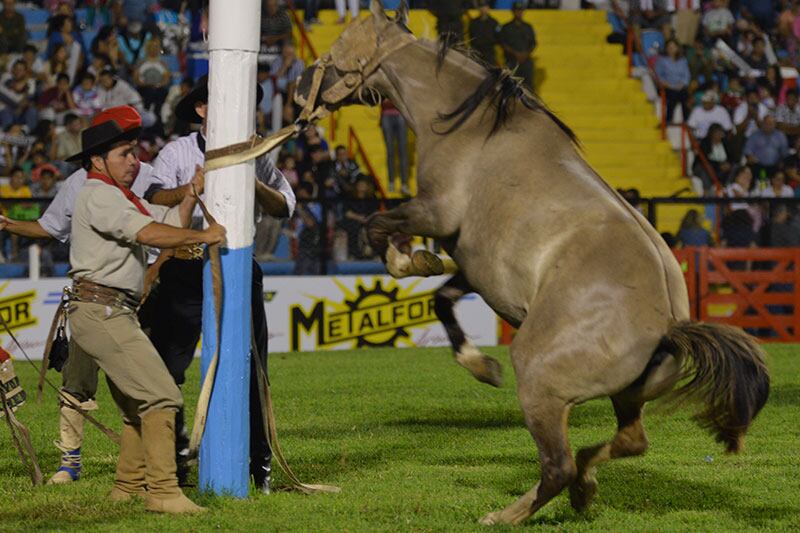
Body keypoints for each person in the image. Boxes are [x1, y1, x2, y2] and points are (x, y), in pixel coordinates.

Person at [139, 75, 295, 493]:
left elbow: (285, 205)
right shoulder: (177, 151)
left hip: (238, 264)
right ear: (202, 110)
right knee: (166, 371)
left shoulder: (258, 155)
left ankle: (258, 466)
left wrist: (254, 181)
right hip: (185, 267)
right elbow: (151, 198)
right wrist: (190, 187)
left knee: (251, 366)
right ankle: (169, 464)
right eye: (225, 102)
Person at [64, 107, 214, 516]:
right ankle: (163, 492)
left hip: (105, 311)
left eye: (134, 153)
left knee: (136, 405)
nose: (134, 162)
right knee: (162, 395)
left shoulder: (113, 196)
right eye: (124, 154)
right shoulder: (98, 194)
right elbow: (149, 233)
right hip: (104, 311)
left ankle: (128, 487)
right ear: (97, 161)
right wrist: (205, 234)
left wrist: (189, 195)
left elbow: (163, 222)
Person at [0, 156, 159, 486]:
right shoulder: (76, 183)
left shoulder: (151, 180)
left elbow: (162, 234)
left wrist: (155, 274)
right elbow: (50, 227)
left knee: (145, 381)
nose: (127, 159)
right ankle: (70, 461)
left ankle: (152, 463)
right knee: (76, 378)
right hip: (92, 297)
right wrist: (8, 224)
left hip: (140, 292)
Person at [499, 2, 536, 89]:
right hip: (511, 61)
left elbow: (533, 43)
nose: (519, 13)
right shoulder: (506, 27)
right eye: (517, 10)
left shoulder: (528, 27)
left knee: (529, 87)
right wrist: (516, 54)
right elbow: (503, 43)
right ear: (512, 11)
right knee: (509, 87)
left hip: (526, 62)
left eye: (521, 10)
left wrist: (526, 54)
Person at [656, 39, 691, 124]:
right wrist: (666, 83)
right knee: (673, 94)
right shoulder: (662, 60)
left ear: (677, 48)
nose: (671, 49)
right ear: (666, 48)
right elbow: (658, 75)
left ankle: (686, 119)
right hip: (667, 86)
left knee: (684, 94)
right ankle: (668, 119)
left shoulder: (683, 60)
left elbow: (687, 75)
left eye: (673, 47)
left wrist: (682, 84)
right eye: (669, 47)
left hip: (680, 86)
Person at [744, 114, 789, 179]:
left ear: (775, 124)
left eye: (771, 124)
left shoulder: (780, 136)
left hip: (775, 166)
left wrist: (781, 161)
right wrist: (750, 156)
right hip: (758, 165)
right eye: (766, 123)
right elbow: (747, 150)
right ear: (763, 123)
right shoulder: (754, 135)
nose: (768, 126)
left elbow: (785, 153)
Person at [380, 99, 409, 196]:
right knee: (390, 152)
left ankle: (404, 184)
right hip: (386, 114)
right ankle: (391, 182)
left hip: (401, 113)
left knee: (403, 151)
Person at [468, 1, 500, 66]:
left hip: (489, 51)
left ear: (488, 8)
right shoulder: (473, 23)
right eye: (481, 6)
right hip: (477, 51)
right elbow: (471, 37)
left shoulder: (494, 22)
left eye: (485, 6)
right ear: (479, 8)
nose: (483, 8)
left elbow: (499, 37)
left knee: (490, 71)